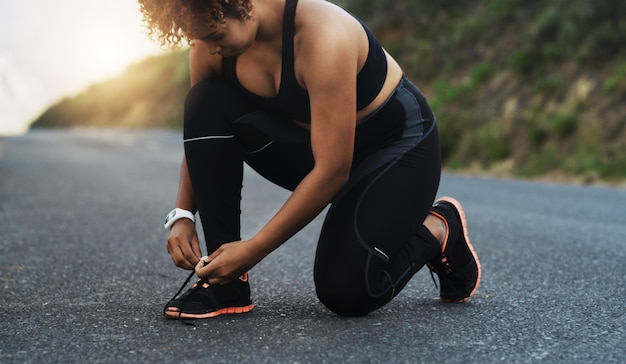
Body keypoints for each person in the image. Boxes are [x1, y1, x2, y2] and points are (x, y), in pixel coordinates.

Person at [139, 0, 481, 319]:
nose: (210, 47)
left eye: (214, 34)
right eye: (200, 37)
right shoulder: (210, 45)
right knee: (203, 100)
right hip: (316, 148)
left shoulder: (323, 36)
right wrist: (182, 214)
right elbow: (202, 133)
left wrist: (254, 248)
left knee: (346, 292)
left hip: (395, 149)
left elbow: (333, 171)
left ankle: (437, 228)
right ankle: (225, 285)